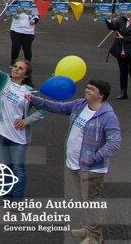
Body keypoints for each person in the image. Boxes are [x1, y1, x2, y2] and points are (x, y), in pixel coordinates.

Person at [27, 80, 122, 243]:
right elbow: (57, 107)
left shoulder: (108, 116)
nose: (87, 90)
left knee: (91, 201)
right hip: (74, 163)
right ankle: (90, 229)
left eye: (92, 89)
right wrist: (35, 100)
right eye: (87, 87)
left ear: (101, 94)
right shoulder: (80, 105)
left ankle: (95, 236)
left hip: (91, 167)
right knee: (84, 200)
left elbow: (115, 142)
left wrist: (94, 158)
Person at [0, 39, 42, 199]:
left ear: (26, 75)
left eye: (20, 69)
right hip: (0, 132)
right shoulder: (3, 80)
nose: (16, 69)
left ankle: (18, 198)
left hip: (18, 137)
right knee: (6, 165)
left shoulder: (29, 92)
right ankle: (8, 193)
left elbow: (43, 110)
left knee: (19, 168)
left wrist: (27, 121)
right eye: (15, 66)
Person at [104, 15, 129, 100]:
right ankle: (123, 92)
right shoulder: (121, 19)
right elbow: (112, 27)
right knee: (123, 72)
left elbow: (124, 36)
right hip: (120, 51)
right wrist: (107, 18)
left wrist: (124, 38)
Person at [9, 0, 38, 64]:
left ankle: (27, 64)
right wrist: (12, 2)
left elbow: (37, 16)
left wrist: (34, 20)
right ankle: (13, 61)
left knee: (27, 49)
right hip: (16, 31)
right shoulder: (15, 6)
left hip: (28, 32)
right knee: (16, 47)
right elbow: (10, 11)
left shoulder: (32, 6)